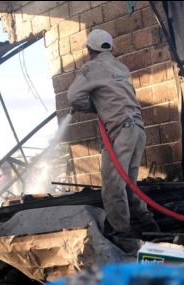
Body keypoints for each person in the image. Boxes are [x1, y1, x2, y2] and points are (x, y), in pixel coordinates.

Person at [67, 29, 158, 235]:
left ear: (90, 49)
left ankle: (123, 234)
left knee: (112, 187)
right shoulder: (122, 67)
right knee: (129, 183)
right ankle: (147, 225)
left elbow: (73, 97)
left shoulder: (92, 68)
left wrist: (92, 106)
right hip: (137, 129)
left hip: (121, 131)